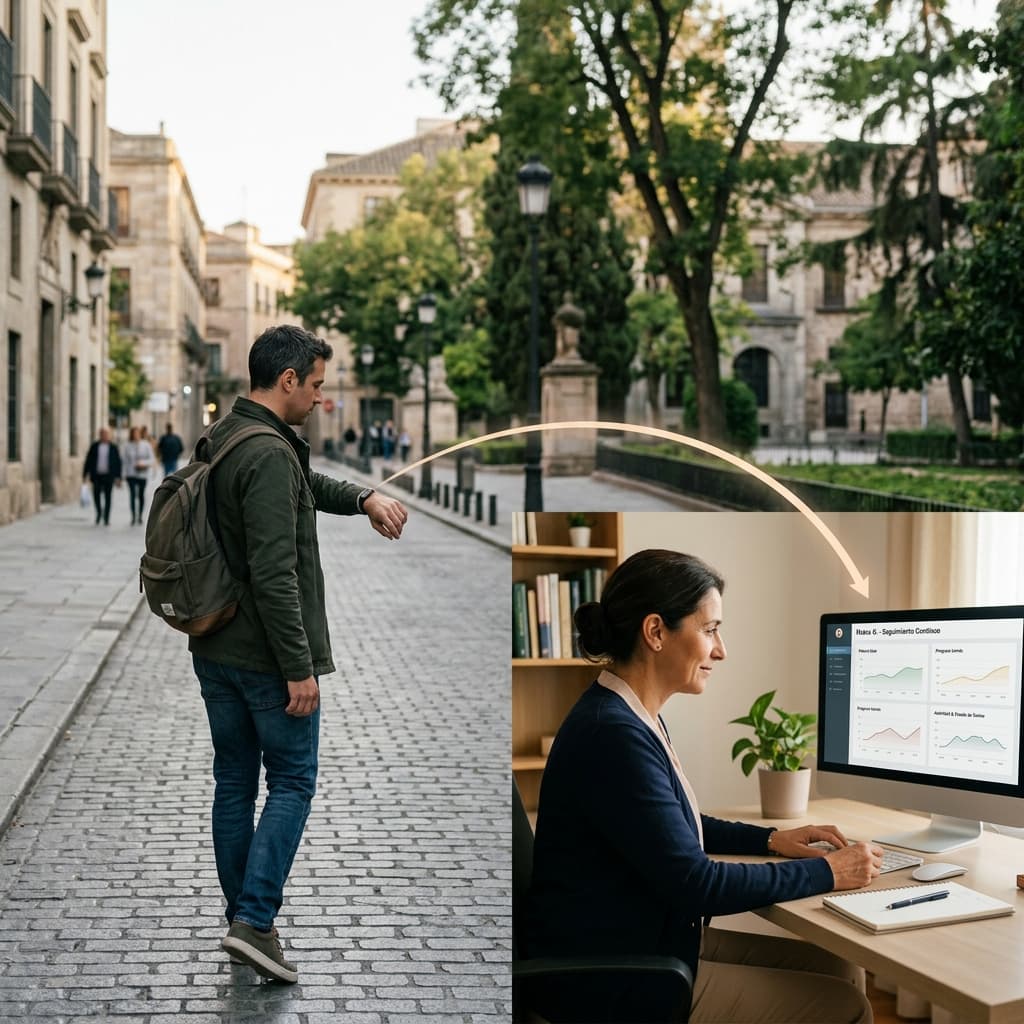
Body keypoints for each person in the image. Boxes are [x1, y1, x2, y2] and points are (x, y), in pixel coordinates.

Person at [526, 549, 882, 1024]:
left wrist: (771, 839)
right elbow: (696, 884)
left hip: (641, 938)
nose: (721, 649)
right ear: (655, 632)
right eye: (710, 629)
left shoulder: (627, 714)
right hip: (616, 978)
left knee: (840, 966)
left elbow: (673, 826)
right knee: (849, 1006)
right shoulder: (611, 734)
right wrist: (830, 872)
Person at [188, 324, 408, 984]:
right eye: (314, 385)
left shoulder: (230, 435)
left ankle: (245, 923)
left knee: (234, 782)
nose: (319, 397)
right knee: (292, 781)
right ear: (287, 381)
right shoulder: (270, 455)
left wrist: (365, 496)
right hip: (263, 660)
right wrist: (298, 667)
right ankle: (254, 921)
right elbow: (275, 571)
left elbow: (305, 488)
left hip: (215, 647)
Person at [82, 427, 123, 526]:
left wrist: (118, 477)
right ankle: (99, 513)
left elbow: (118, 462)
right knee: (96, 495)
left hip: (109, 476)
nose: (104, 436)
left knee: (108, 497)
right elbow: (88, 460)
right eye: (102, 434)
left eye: (106, 434)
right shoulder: (94, 446)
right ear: (100, 435)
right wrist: (85, 474)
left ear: (109, 435)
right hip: (97, 475)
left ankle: (106, 517)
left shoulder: (113, 447)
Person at [123, 426, 155, 525]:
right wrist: (122, 475)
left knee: (141, 495)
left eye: (137, 433)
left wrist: (143, 463)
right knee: (132, 495)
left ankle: (140, 515)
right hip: (131, 474)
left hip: (142, 474)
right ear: (131, 434)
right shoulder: (128, 446)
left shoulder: (146, 445)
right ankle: (133, 516)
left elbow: (152, 459)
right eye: (134, 433)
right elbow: (124, 461)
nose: (136, 435)